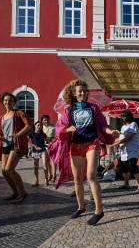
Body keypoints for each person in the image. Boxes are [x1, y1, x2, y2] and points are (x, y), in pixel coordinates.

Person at [51, 80, 119, 225]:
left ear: (87, 93)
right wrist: (67, 129)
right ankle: (81, 206)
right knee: (77, 180)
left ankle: (99, 211)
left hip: (91, 143)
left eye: (84, 91)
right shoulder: (69, 110)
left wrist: (111, 131)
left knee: (91, 176)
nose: (82, 93)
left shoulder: (93, 108)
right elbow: (59, 128)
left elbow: (102, 126)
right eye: (79, 91)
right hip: (76, 146)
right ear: (74, 94)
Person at [0, 92, 33, 203]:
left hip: (16, 144)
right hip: (5, 145)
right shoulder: (1, 118)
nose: (7, 102)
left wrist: (17, 134)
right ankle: (15, 192)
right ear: (3, 102)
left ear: (14, 102)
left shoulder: (19, 113)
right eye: (5, 100)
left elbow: (29, 125)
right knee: (4, 172)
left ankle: (23, 193)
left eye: (10, 100)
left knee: (9, 169)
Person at [115, 109, 139, 193]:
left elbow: (129, 137)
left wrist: (116, 143)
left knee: (132, 165)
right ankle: (126, 183)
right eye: (122, 116)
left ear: (128, 116)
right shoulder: (123, 127)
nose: (123, 117)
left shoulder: (133, 124)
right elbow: (122, 136)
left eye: (124, 115)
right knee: (124, 167)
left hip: (133, 149)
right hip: (124, 150)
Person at [28, 121, 49, 187]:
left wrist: (50, 140)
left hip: (43, 150)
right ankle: (36, 181)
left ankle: (46, 180)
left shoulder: (43, 134)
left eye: (40, 126)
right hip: (35, 151)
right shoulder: (31, 134)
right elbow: (29, 142)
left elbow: (47, 140)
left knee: (45, 165)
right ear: (35, 126)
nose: (39, 127)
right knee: (35, 167)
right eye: (38, 125)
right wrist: (35, 146)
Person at [41, 114, 57, 183]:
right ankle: (50, 175)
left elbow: (57, 136)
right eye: (44, 120)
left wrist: (53, 139)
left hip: (52, 146)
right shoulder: (41, 127)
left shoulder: (53, 126)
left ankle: (54, 176)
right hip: (44, 146)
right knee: (46, 162)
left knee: (53, 162)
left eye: (47, 120)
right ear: (42, 121)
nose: (46, 121)